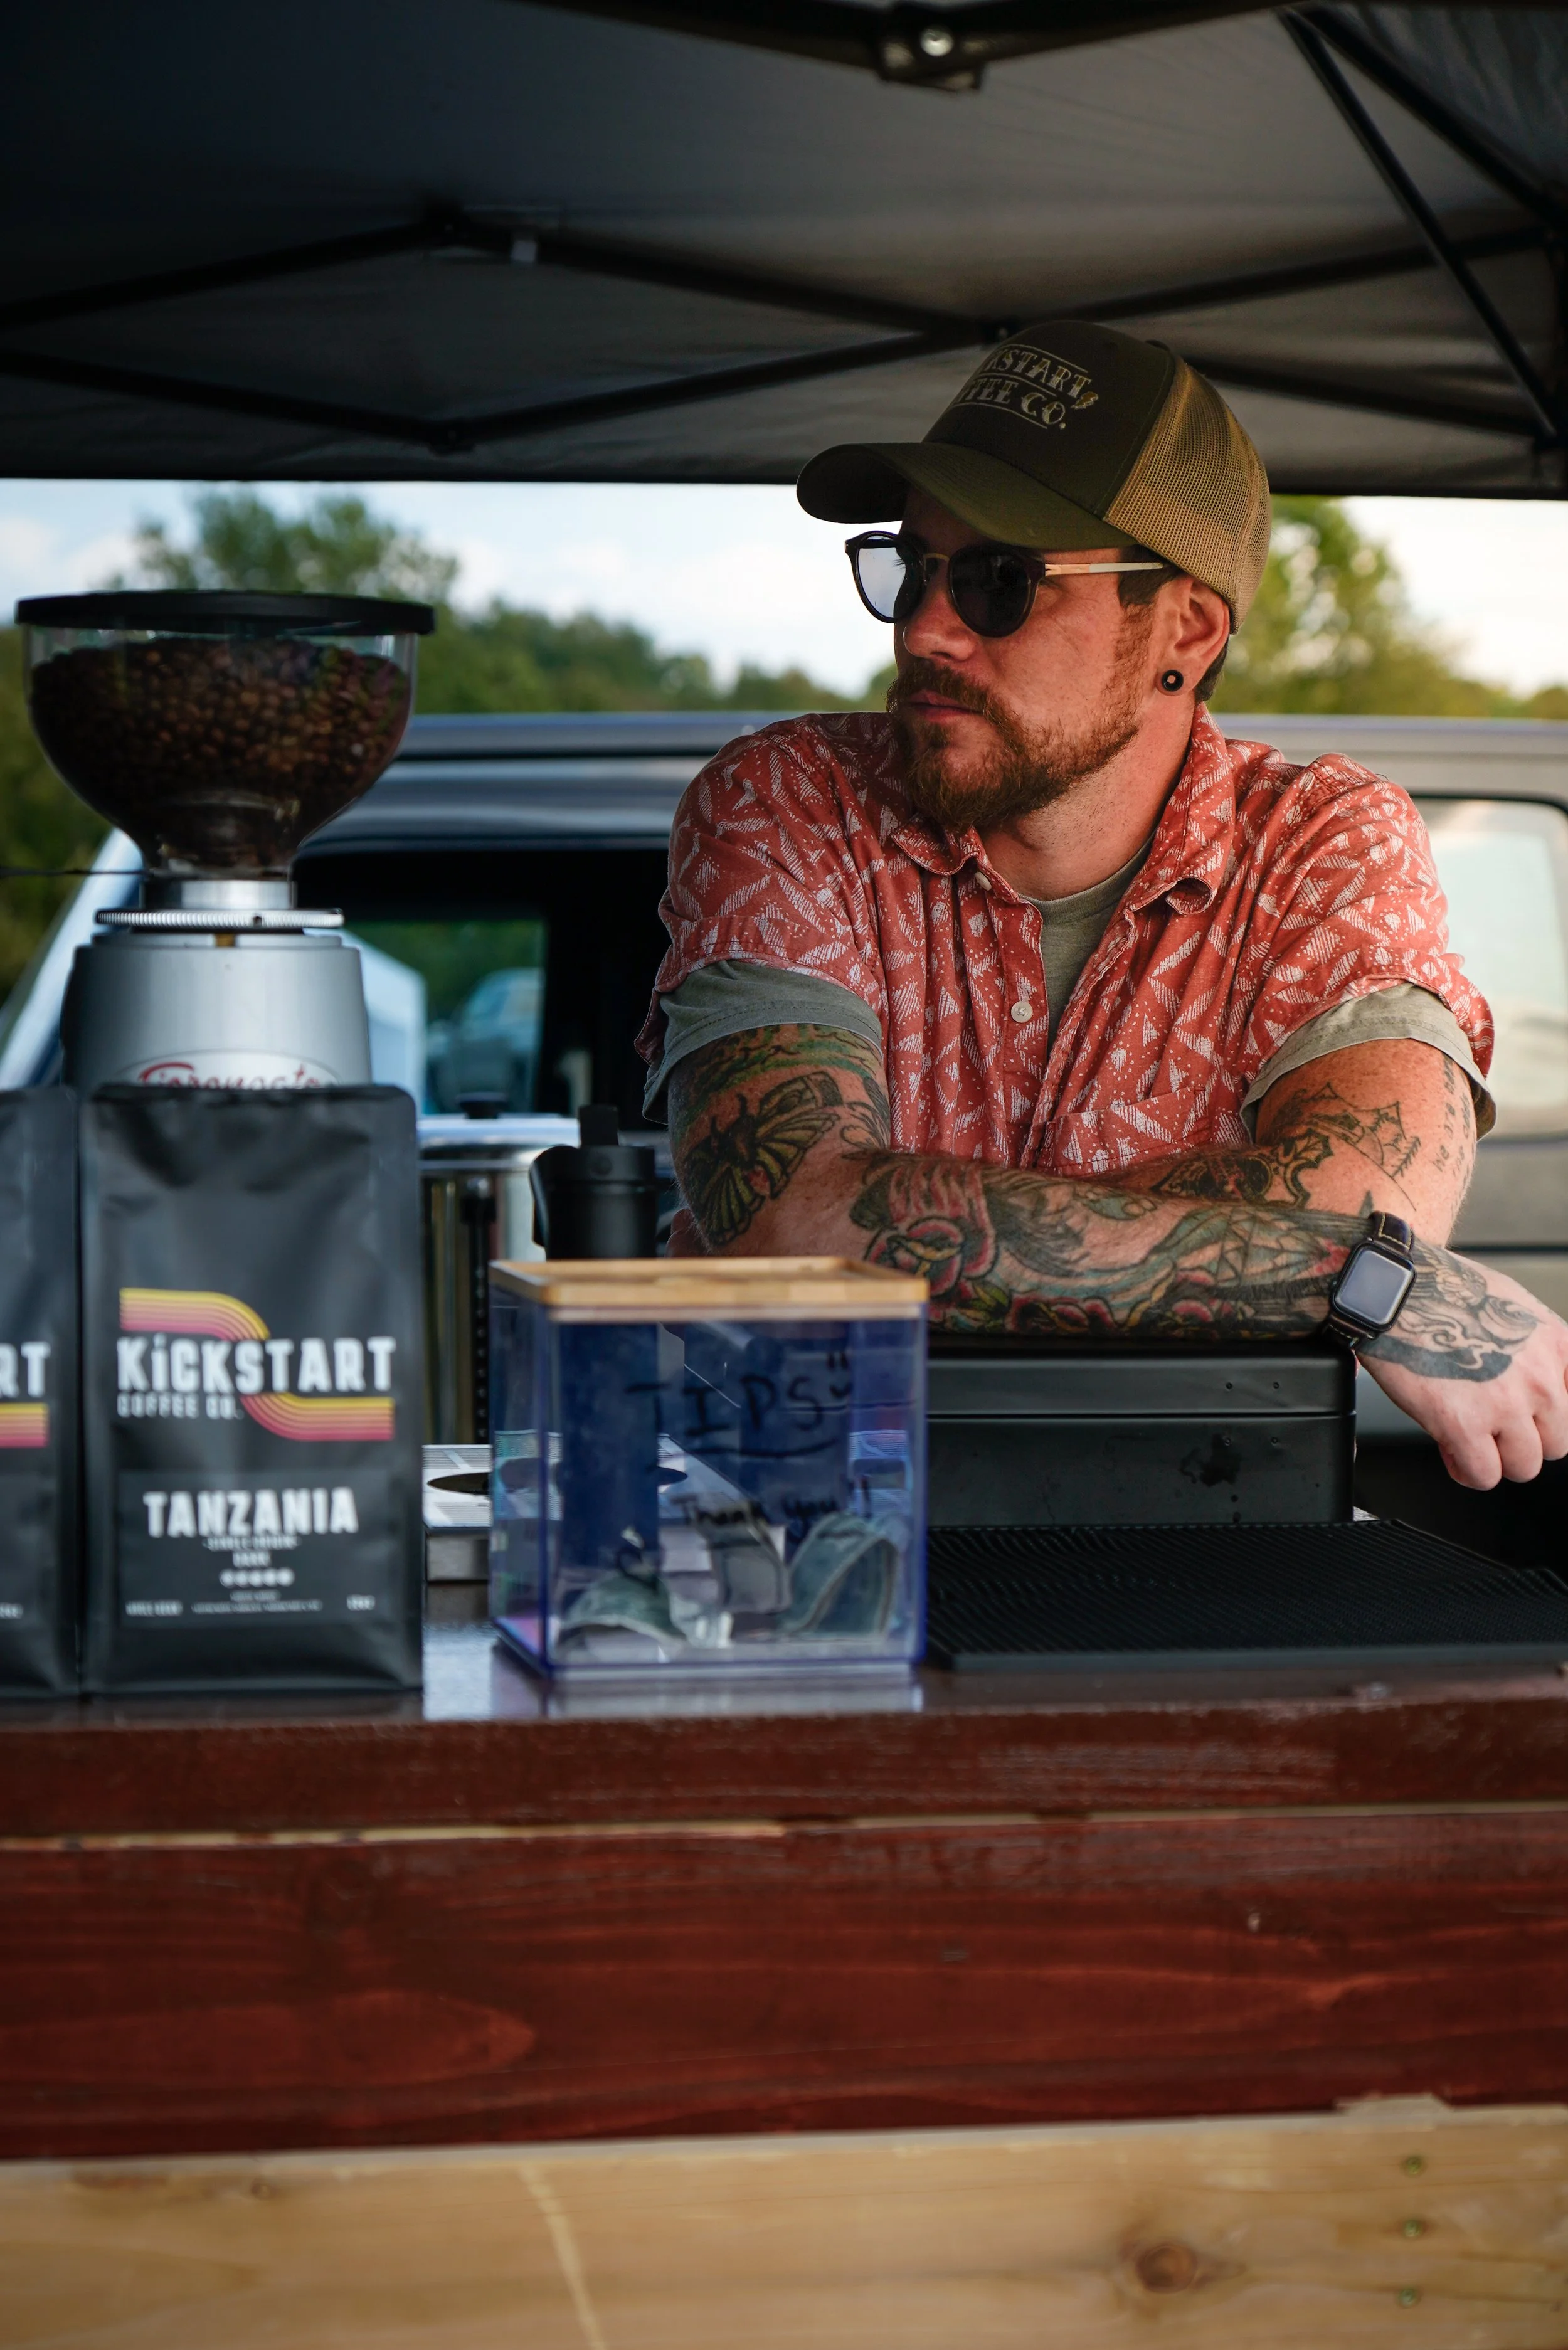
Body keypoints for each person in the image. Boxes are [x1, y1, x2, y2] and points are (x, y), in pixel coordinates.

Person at [637, 320, 1568, 1492]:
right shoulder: (790, 800)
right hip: (805, 1534)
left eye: (1000, 581)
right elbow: (793, 1223)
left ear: (1188, 629)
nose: (924, 627)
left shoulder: (1320, 841)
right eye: (910, 567)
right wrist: (1342, 1272)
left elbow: (1375, 1200)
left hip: (1194, 1530)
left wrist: (909, 1216)